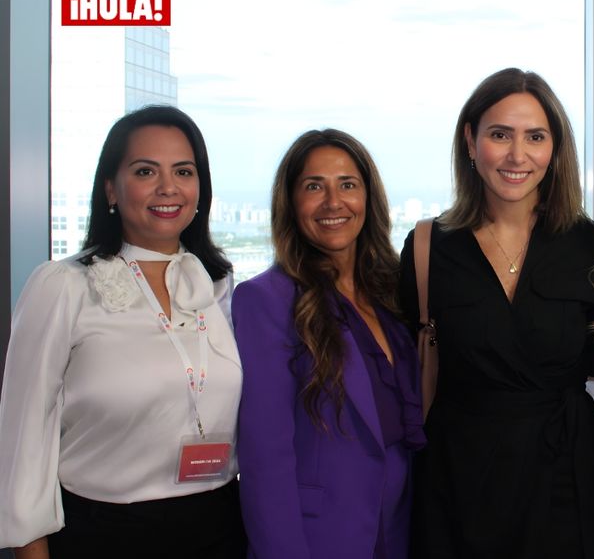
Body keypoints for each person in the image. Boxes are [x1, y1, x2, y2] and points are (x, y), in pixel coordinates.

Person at [0, 106, 244, 558]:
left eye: (184, 171)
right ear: (111, 187)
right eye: (145, 170)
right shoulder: (63, 286)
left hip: (218, 528)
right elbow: (22, 441)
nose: (168, 187)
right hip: (102, 533)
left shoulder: (217, 287)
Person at [399, 67, 594, 559]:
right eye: (500, 135)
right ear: (471, 142)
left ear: (554, 149)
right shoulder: (429, 248)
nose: (518, 155)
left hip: (564, 479)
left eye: (535, 137)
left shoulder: (592, 245)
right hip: (457, 482)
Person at [232, 129, 424, 559]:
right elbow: (266, 459)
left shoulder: (393, 292)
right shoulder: (266, 300)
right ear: (291, 201)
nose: (333, 202)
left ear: (368, 198)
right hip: (318, 537)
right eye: (314, 186)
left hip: (398, 529)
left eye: (348, 185)